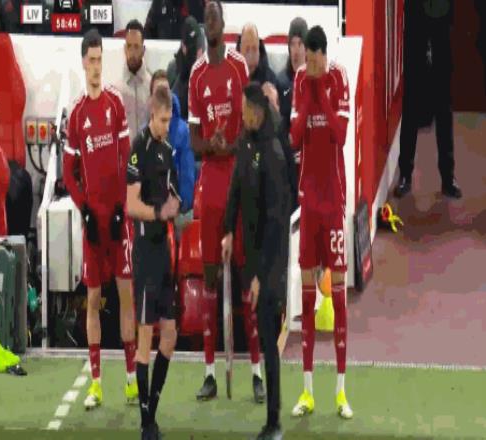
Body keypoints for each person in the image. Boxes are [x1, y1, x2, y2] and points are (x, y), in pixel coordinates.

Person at [188, 0, 265, 403]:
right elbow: (194, 141)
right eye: (207, 18)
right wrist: (210, 145)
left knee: (246, 277)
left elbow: (252, 128)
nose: (211, 22)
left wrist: (231, 145)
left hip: (239, 182)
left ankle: (256, 372)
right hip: (212, 187)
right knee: (210, 280)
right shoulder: (196, 75)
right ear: (204, 26)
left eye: (215, 16)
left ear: (223, 23)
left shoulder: (238, 68)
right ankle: (209, 373)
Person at [63, 29, 138, 409]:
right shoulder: (77, 114)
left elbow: (127, 159)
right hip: (94, 224)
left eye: (99, 60)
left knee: (126, 294)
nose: (95, 67)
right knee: (93, 298)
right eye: (90, 60)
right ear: (83, 63)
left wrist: (123, 206)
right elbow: (68, 172)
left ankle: (131, 379)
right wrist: (85, 211)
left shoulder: (115, 103)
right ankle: (95, 383)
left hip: (119, 220)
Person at [289, 25, 353, 420]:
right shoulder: (300, 81)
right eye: (306, 60)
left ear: (323, 55)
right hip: (309, 204)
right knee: (308, 299)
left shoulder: (338, 78)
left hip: (333, 204)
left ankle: (341, 392)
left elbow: (340, 134)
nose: (309, 66)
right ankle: (308, 390)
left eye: (314, 60)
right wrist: (309, 93)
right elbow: (295, 137)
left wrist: (322, 97)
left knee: (340, 298)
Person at [223, 82, 291, 440]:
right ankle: (272, 419)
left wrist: (261, 276)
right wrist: (227, 231)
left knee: (269, 342)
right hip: (251, 256)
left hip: (271, 261)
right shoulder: (246, 141)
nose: (241, 114)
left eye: (244, 110)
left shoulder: (274, 153)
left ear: (257, 112)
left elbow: (277, 223)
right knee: (263, 336)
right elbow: (235, 187)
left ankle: (274, 421)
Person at [126, 84, 180, 440]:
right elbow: (131, 205)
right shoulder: (139, 149)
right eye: (162, 120)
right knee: (145, 334)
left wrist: (176, 204)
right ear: (152, 114)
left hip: (165, 254)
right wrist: (160, 212)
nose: (166, 125)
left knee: (170, 335)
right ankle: (146, 422)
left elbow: (171, 193)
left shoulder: (167, 150)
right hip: (146, 253)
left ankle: (152, 410)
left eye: (169, 120)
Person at [394, 0, 461, 199]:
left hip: (442, 17)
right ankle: (405, 173)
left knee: (443, 104)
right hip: (416, 18)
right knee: (412, 100)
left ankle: (448, 177)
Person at [151, 70, 196, 221]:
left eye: (165, 91)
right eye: (158, 92)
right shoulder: (145, 135)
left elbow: (187, 174)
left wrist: (180, 206)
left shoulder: (183, 132)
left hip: (179, 213)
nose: (162, 96)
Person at [116, 19, 152, 142]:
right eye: (129, 46)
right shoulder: (116, 91)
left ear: (143, 50)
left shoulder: (152, 87)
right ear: (124, 49)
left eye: (136, 47)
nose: (132, 52)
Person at [166, 16, 204, 121]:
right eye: (192, 48)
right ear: (183, 46)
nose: (196, 53)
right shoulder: (173, 69)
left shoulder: (206, 69)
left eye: (198, 48)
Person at [277, 17, 308, 137]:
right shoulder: (281, 82)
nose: (296, 50)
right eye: (293, 44)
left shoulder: (316, 80)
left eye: (300, 44)